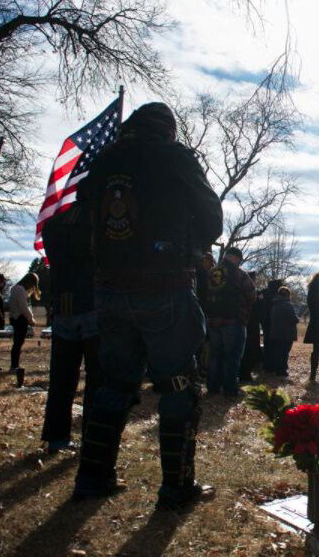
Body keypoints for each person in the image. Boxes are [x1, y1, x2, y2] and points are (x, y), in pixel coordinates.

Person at [72, 102, 223, 510]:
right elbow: (213, 219)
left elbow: (80, 217)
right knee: (178, 384)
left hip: (109, 288)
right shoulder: (175, 158)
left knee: (113, 383)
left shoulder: (103, 160)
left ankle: (92, 477)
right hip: (164, 285)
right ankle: (176, 488)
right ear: (167, 130)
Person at [40, 205, 100, 454]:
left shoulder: (53, 224)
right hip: (93, 303)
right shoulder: (96, 220)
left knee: (61, 379)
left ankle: (57, 436)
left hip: (64, 304)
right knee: (97, 378)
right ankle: (92, 436)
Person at [204, 246, 256, 397]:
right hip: (233, 320)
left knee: (215, 355)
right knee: (232, 356)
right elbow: (251, 294)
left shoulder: (211, 273)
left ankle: (212, 387)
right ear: (237, 258)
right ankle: (230, 389)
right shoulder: (239, 274)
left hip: (212, 320)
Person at [8, 272, 39, 388]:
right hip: (19, 318)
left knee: (18, 342)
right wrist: (31, 319)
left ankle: (14, 364)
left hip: (17, 318)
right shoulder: (19, 290)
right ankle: (14, 365)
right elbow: (24, 307)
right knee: (18, 342)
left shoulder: (17, 289)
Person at [267, 287, 299, 376]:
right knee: (284, 352)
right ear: (287, 295)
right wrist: (297, 318)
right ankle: (282, 371)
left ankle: (277, 369)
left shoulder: (274, 305)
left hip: (275, 333)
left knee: (278, 352)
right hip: (286, 334)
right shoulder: (288, 305)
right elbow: (293, 319)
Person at [239, 272, 261, 383]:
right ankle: (245, 374)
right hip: (250, 324)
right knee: (249, 349)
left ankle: (244, 372)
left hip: (247, 322)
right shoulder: (251, 294)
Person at [259, 279, 283, 373]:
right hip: (276, 323)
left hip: (265, 322)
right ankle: (275, 365)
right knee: (276, 344)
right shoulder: (278, 294)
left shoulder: (264, 293)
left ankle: (267, 365)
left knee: (267, 343)